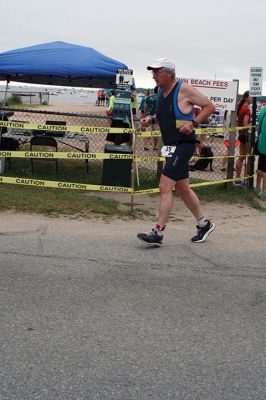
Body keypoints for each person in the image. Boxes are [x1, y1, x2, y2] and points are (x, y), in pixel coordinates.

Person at [137, 57, 215, 246]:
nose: (153, 75)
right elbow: (164, 114)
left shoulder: (184, 89)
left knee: (165, 186)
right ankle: (204, 224)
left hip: (184, 144)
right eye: (152, 72)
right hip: (171, 146)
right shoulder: (161, 93)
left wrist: (193, 123)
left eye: (157, 72)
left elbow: (209, 106)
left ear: (169, 73)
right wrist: (151, 120)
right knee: (182, 188)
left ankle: (158, 232)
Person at [235, 91, 252, 185]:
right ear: (246, 98)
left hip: (241, 134)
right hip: (246, 135)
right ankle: (246, 178)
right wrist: (252, 124)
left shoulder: (241, 107)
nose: (252, 98)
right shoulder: (246, 109)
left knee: (241, 156)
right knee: (249, 157)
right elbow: (245, 124)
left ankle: (238, 177)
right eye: (251, 97)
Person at [255, 105, 266, 198]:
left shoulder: (263, 110)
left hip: (262, 141)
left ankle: (257, 187)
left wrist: (260, 136)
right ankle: (264, 191)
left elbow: (258, 127)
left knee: (261, 165)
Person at [144, 86, 159, 151]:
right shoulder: (160, 98)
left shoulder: (149, 97)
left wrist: (145, 114)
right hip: (157, 117)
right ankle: (155, 146)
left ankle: (145, 145)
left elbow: (145, 106)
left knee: (148, 131)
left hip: (149, 116)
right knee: (156, 133)